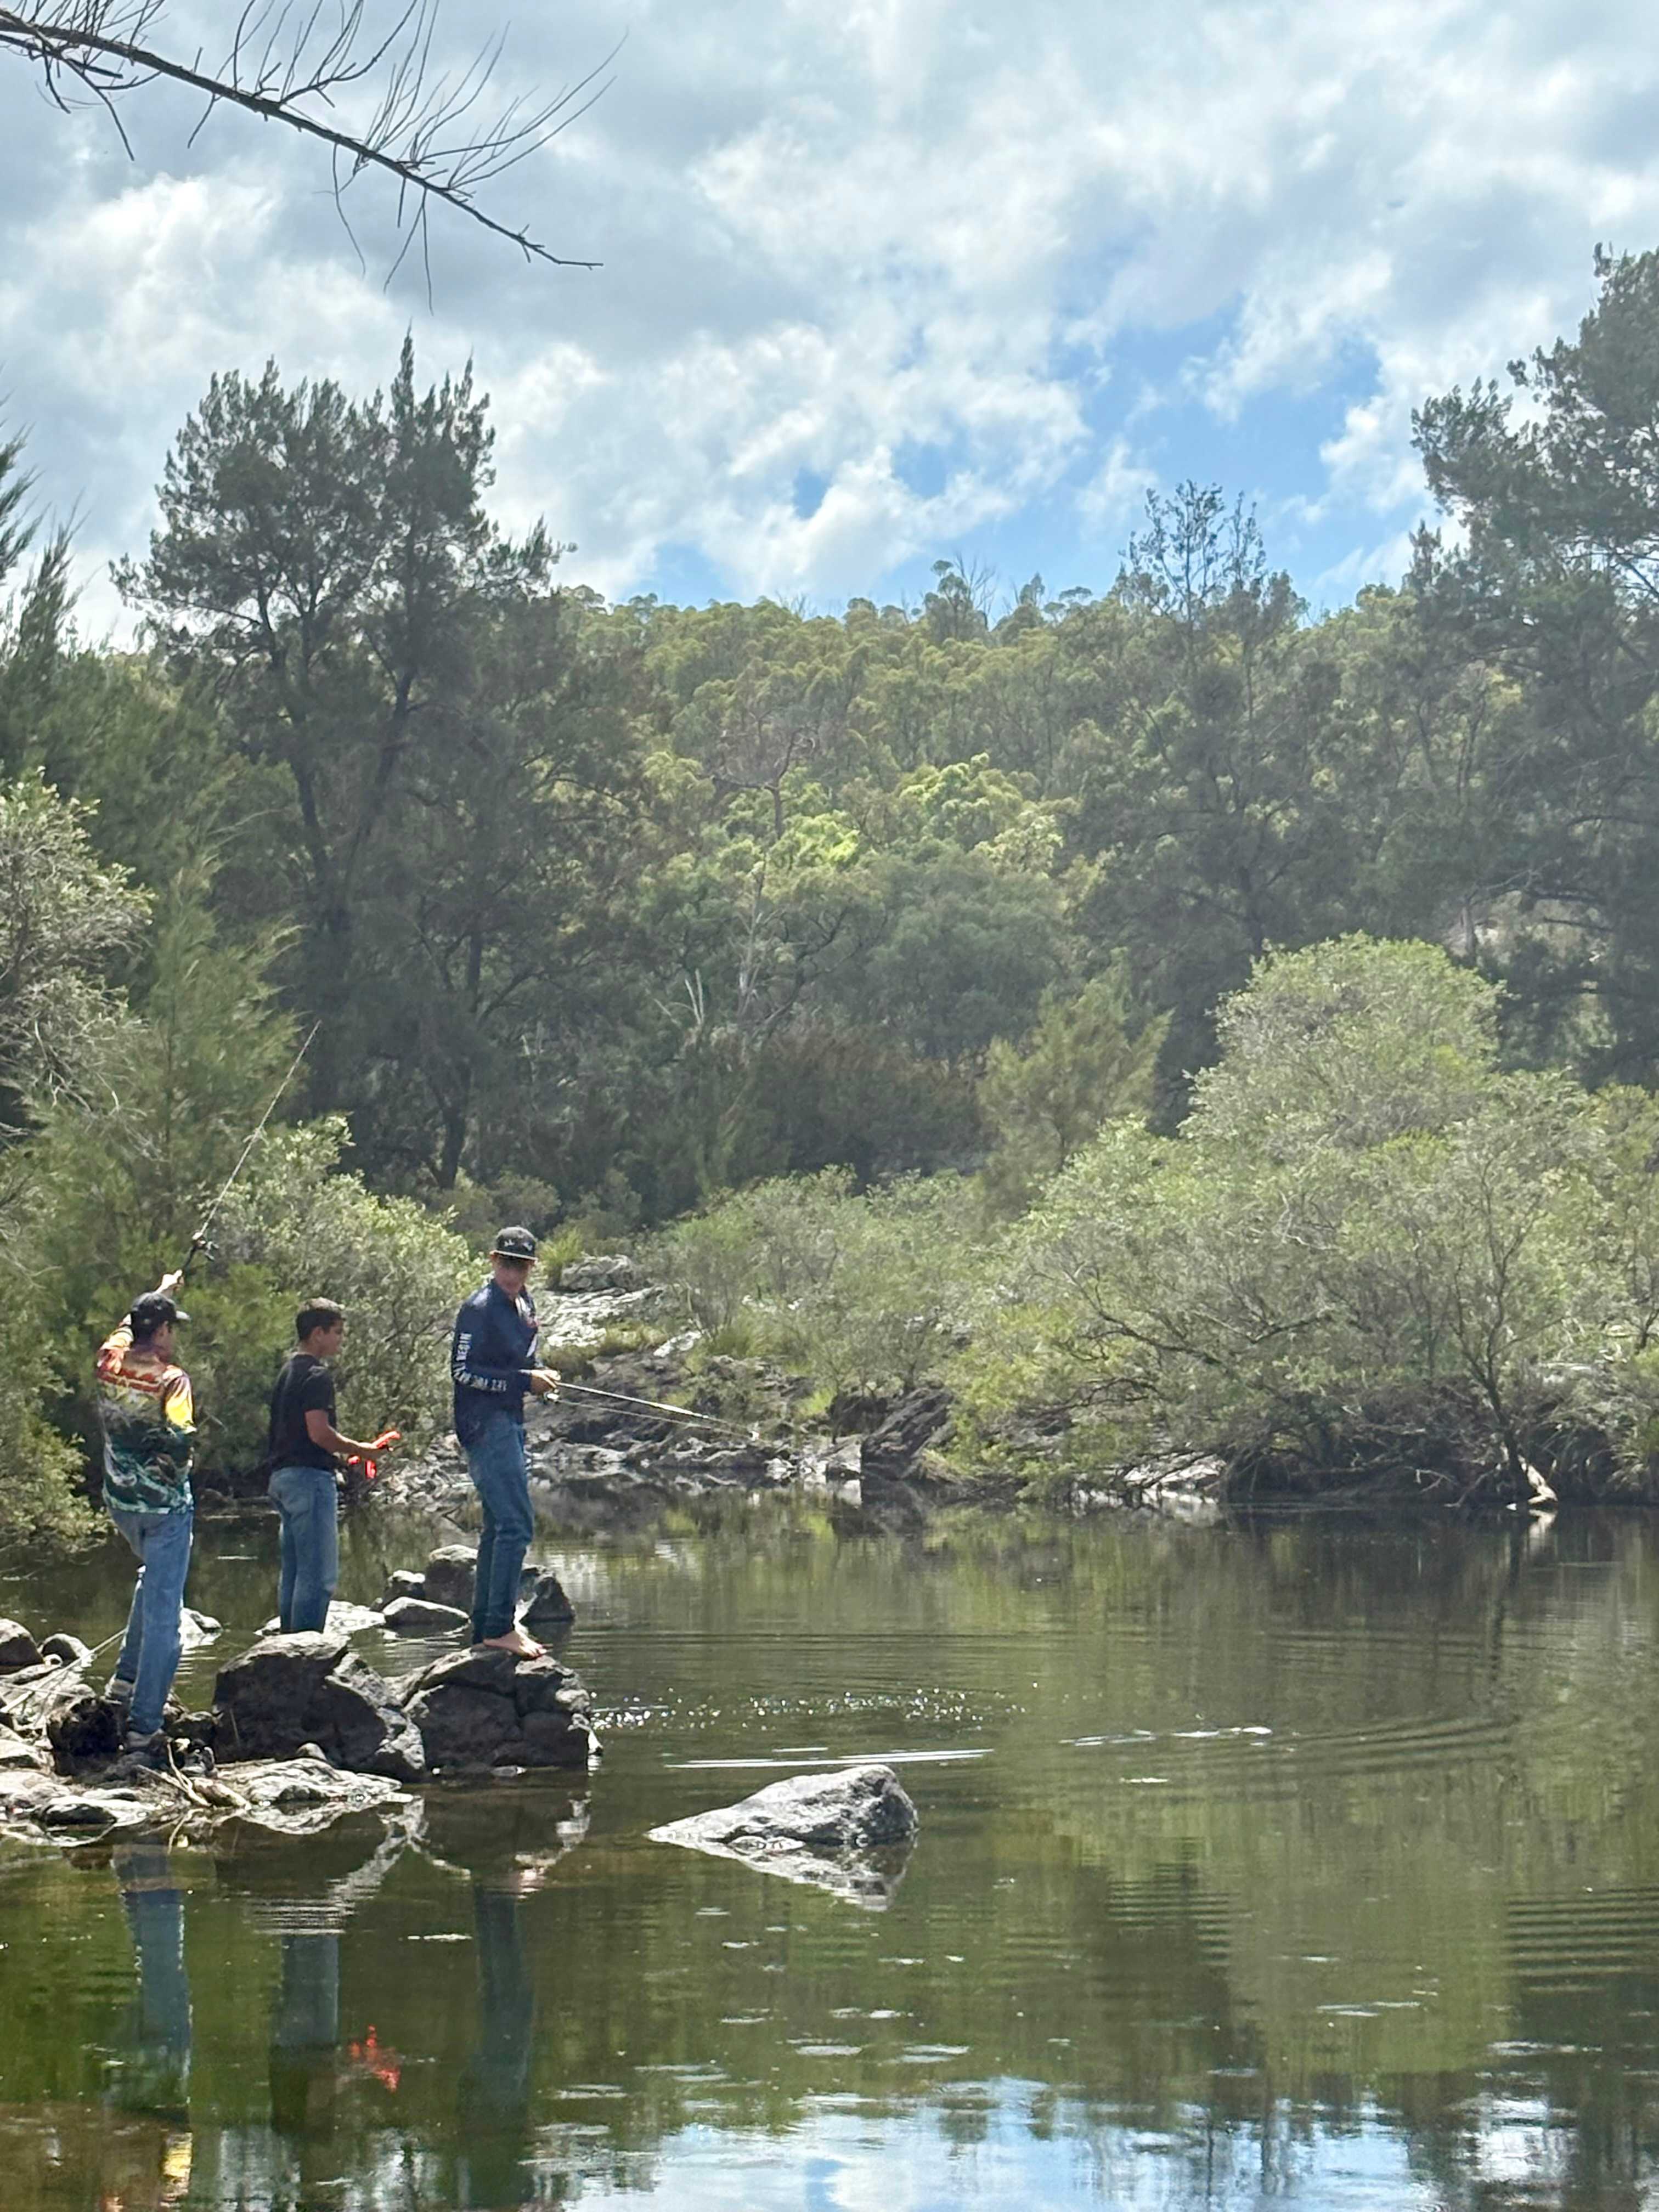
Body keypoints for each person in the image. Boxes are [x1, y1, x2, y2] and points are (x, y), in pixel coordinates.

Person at [95, 1273, 196, 1765]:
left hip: (119, 1503)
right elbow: (181, 1438)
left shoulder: (108, 1359)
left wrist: (164, 1288)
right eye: (172, 1327)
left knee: (151, 1582)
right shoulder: (173, 1381)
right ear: (160, 1333)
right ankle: (143, 1728)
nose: (175, 1336)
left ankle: (124, 1683)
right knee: (166, 1618)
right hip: (165, 1511)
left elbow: (121, 1329)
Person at [450, 1227, 559, 1657]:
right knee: (517, 1523)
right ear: (494, 1260)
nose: (513, 1273)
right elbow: (462, 1371)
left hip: (510, 1420)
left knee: (498, 1526)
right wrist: (521, 1381)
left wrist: (541, 1378)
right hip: (483, 1423)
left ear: (531, 1267)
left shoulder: (525, 1303)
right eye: (506, 1263)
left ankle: (487, 1630)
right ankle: (499, 1626)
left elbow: (523, 1361)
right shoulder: (477, 1309)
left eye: (522, 1265)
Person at [267, 1298, 399, 1634]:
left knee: (295, 1572)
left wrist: (344, 1457)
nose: (341, 1339)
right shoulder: (316, 1375)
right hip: (309, 1482)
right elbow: (319, 1433)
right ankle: (305, 1655)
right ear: (317, 1334)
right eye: (337, 1332)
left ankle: (287, 1646)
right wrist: (363, 1451)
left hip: (281, 1479)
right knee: (319, 1576)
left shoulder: (287, 1373)